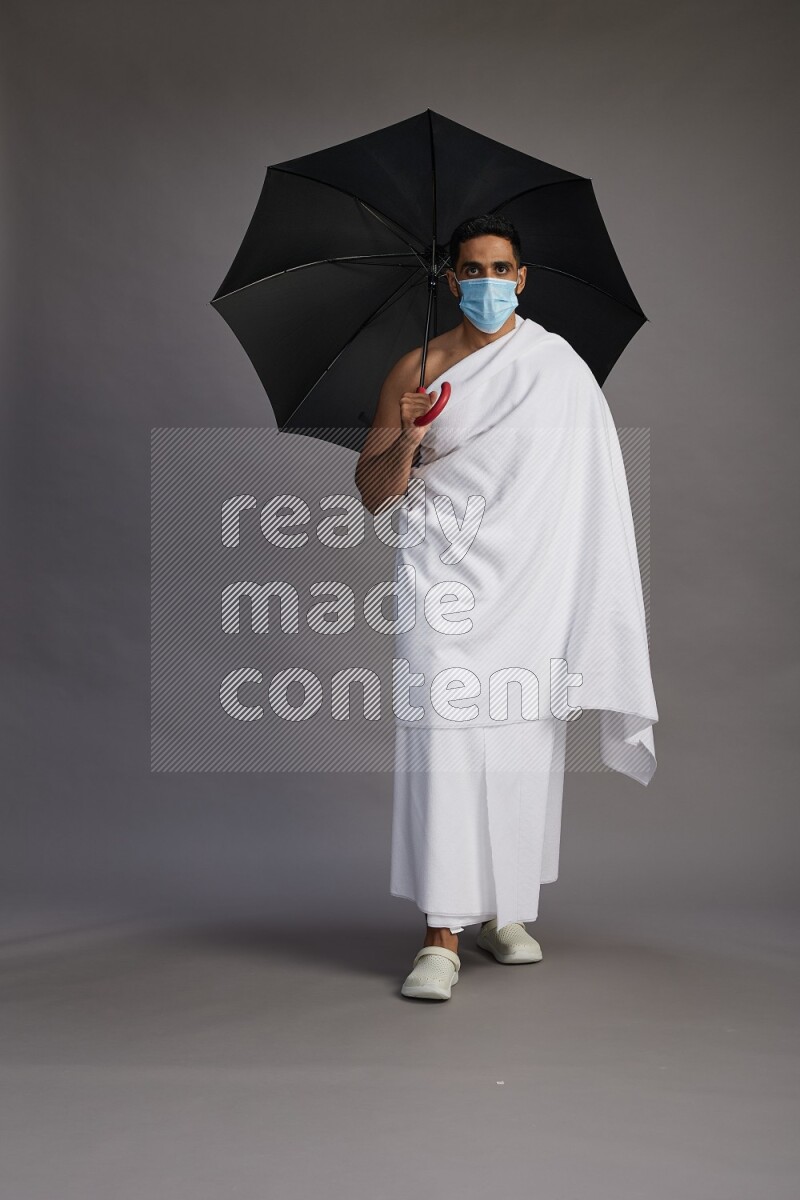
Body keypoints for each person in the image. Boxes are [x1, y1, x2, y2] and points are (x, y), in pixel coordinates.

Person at [354, 214, 657, 1001]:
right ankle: (439, 934)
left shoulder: (558, 366)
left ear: (521, 278)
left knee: (522, 741)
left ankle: (505, 911)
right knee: (444, 746)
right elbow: (374, 495)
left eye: (501, 269)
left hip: (532, 583)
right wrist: (411, 435)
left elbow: (584, 485)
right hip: (440, 580)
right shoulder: (412, 368)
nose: (487, 283)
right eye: (472, 270)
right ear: (450, 280)